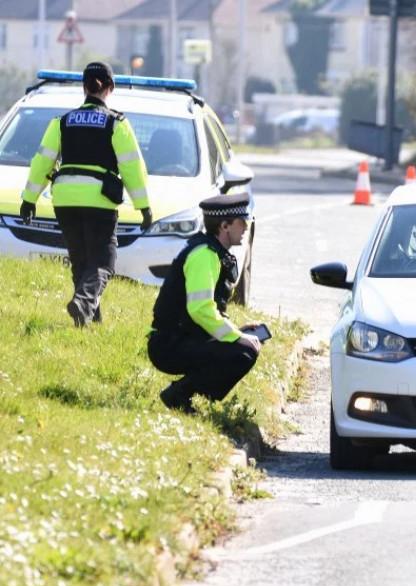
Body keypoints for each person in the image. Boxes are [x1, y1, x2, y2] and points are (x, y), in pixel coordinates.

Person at [19, 61, 152, 327]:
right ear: (110, 88)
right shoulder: (117, 123)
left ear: (84, 87)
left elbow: (42, 162)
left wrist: (29, 199)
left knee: (81, 260)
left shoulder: (62, 122)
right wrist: (144, 206)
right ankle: (82, 304)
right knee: (104, 262)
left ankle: (89, 320)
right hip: (98, 200)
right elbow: (132, 167)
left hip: (65, 199)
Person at [148, 193, 261, 413]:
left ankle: (182, 394)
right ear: (225, 226)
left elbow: (206, 310)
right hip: (169, 345)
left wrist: (238, 331)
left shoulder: (212, 252)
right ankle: (178, 395)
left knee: (243, 346)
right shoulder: (204, 255)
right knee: (243, 353)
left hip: (182, 338)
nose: (246, 227)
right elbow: (200, 309)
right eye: (242, 222)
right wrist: (236, 337)